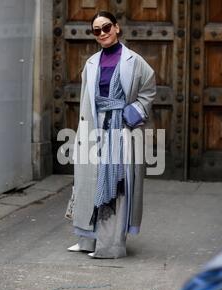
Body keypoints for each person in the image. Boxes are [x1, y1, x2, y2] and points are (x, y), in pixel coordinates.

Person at [67, 11, 156, 259]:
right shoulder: (91, 63)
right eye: (96, 30)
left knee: (116, 183)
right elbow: (87, 99)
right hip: (95, 128)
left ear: (116, 27)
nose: (102, 33)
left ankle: (110, 246)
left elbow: (148, 91)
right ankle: (86, 240)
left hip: (121, 131)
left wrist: (131, 115)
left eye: (106, 27)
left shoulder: (135, 61)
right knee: (89, 182)